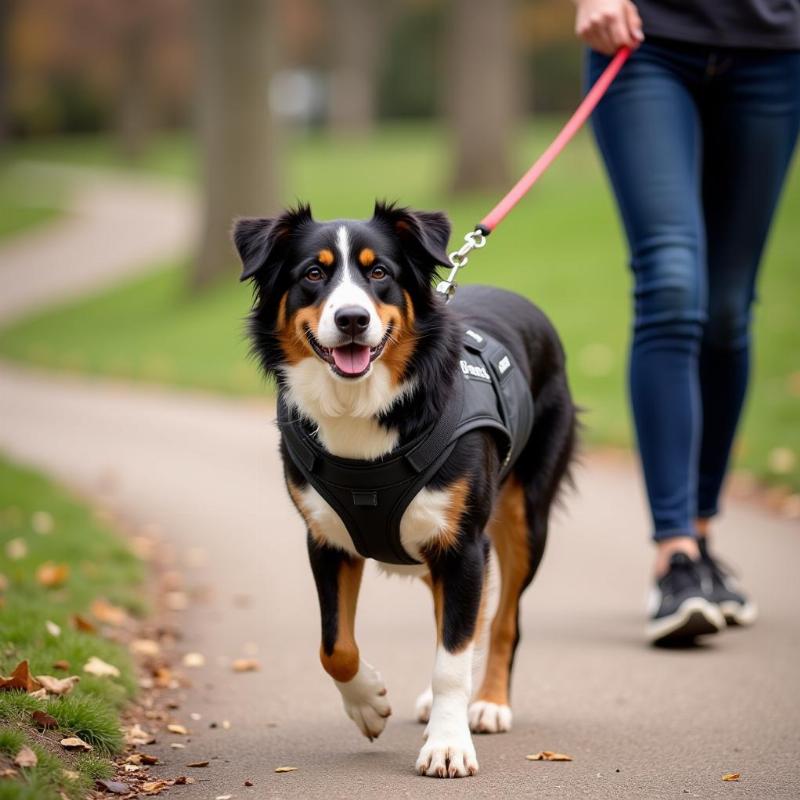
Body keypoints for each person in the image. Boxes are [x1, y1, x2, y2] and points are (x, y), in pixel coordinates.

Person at [573, 0, 800, 644]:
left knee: (728, 306)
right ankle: (673, 554)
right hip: (646, 38)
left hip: (771, 48)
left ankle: (700, 537)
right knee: (671, 282)